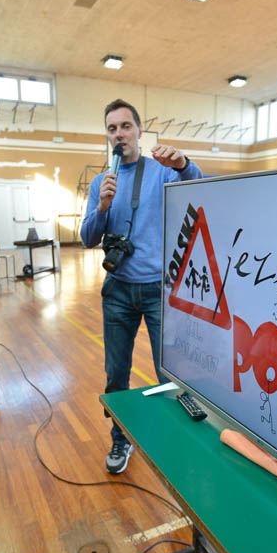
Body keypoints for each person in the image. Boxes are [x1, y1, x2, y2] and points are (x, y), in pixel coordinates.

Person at [80, 99, 203, 474]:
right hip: (117, 292)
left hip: (157, 292)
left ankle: (178, 439)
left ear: (139, 131)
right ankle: (120, 438)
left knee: (170, 375)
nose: (119, 134)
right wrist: (102, 207)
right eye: (112, 129)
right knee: (116, 375)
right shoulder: (102, 182)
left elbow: (197, 186)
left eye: (125, 126)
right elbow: (87, 238)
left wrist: (183, 163)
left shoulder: (162, 172)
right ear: (108, 136)